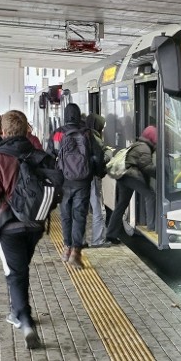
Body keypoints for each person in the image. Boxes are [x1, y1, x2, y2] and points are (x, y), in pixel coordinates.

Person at [0, 110, 49, 349]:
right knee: (21, 269)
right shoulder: (38, 154)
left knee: (15, 274)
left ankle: (24, 320)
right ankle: (18, 311)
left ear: (4, 132)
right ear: (27, 129)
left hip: (8, 225)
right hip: (35, 224)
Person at [46, 103, 105, 268]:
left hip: (64, 180)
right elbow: (98, 155)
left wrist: (54, 176)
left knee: (65, 214)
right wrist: (98, 172)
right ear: (79, 116)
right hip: (83, 180)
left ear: (65, 116)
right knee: (79, 215)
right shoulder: (87, 133)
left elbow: (50, 155)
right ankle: (76, 252)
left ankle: (66, 249)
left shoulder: (58, 134)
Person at [105, 125, 157, 243]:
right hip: (131, 176)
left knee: (121, 205)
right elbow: (146, 166)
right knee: (150, 195)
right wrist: (161, 173)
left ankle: (111, 234)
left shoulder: (137, 144)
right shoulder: (145, 148)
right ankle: (151, 226)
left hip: (123, 176)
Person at [85, 113, 110, 247]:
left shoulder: (82, 134)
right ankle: (98, 240)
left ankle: (78, 241)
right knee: (98, 210)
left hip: (80, 177)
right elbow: (100, 159)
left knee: (80, 210)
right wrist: (108, 154)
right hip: (93, 177)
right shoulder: (94, 137)